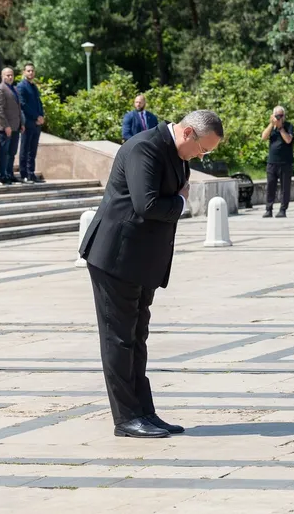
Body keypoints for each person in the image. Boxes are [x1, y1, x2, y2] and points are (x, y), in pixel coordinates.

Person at [80, 110, 223, 438]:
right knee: (118, 338)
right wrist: (182, 204)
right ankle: (126, 418)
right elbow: (147, 205)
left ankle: (145, 411)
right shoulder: (145, 147)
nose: (203, 156)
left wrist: (176, 200)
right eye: (204, 149)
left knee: (136, 337)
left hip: (140, 260)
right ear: (188, 133)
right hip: (115, 257)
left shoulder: (175, 153)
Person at [260, 106, 294, 218]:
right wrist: (271, 124)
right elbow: (263, 137)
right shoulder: (271, 127)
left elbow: (288, 140)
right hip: (272, 162)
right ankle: (268, 209)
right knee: (270, 186)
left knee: (285, 188)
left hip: (285, 163)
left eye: (280, 116)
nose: (278, 118)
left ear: (284, 116)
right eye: (276, 116)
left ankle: (283, 210)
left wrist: (280, 128)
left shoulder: (288, 126)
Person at [0, 67, 23, 184]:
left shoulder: (14, 89)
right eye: (7, 75)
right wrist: (6, 126)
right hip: (5, 127)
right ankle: (2, 175)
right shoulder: (0, 89)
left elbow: (18, 108)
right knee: (4, 152)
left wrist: (22, 123)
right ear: (2, 76)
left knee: (12, 152)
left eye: (11, 75)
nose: (10, 77)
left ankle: (10, 174)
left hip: (16, 126)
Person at [15, 64, 45, 183]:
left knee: (33, 149)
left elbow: (38, 103)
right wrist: (36, 116)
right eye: (28, 71)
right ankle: (24, 174)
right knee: (25, 148)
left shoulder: (34, 86)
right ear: (24, 72)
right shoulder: (21, 86)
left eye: (32, 71)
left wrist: (41, 116)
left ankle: (31, 173)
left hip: (37, 123)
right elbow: (23, 104)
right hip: (27, 122)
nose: (31, 73)